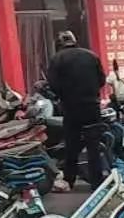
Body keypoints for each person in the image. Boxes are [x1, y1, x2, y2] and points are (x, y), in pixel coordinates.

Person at [46, 30, 107, 189]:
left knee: (71, 145)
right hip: (92, 106)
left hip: (71, 108)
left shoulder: (57, 59)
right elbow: (102, 80)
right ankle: (97, 182)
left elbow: (53, 84)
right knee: (93, 146)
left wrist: (63, 96)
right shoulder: (91, 56)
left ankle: (69, 179)